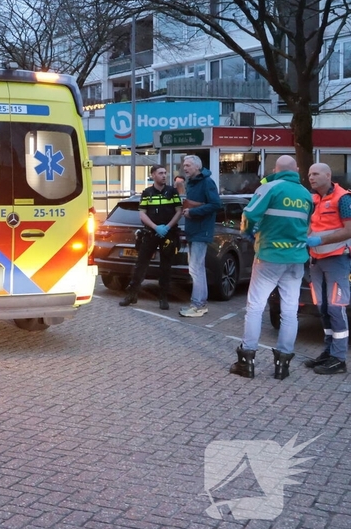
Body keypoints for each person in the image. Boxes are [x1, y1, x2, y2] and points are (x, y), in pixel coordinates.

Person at [230, 155, 313, 380]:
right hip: (295, 258)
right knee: (289, 311)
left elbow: (249, 214)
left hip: (269, 256)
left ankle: (247, 360)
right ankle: (283, 365)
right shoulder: (306, 194)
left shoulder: (270, 188)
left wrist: (247, 233)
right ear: (296, 169)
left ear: (276, 170)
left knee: (255, 307)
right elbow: (307, 226)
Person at [303, 163, 351, 375]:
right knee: (322, 307)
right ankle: (329, 352)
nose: (310, 177)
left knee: (335, 306)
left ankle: (339, 359)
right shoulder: (313, 199)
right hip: (316, 259)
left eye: (315, 174)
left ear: (328, 175)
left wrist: (320, 239)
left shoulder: (343, 198)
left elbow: (349, 230)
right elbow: (310, 225)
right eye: (309, 174)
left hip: (337, 259)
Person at [119, 165, 183, 310]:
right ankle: (132, 295)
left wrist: (167, 227)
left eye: (165, 173)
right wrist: (155, 227)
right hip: (150, 233)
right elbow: (142, 214)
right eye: (160, 173)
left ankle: (163, 297)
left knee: (165, 267)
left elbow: (179, 211)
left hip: (168, 234)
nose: (164, 176)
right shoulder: (147, 193)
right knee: (141, 264)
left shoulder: (172, 192)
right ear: (153, 175)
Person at [178, 155, 222, 317]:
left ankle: (198, 305)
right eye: (184, 165)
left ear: (197, 167)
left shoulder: (207, 182)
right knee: (195, 268)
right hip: (193, 230)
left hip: (201, 231)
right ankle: (198, 303)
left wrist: (193, 212)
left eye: (188, 165)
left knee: (196, 268)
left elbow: (216, 204)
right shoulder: (192, 182)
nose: (185, 168)